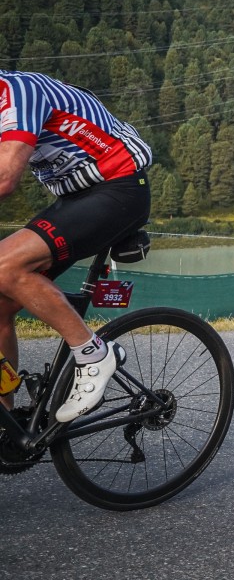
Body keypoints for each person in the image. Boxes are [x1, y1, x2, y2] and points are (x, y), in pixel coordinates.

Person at [0, 70, 152, 421]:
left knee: (5, 265)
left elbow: (6, 177)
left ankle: (94, 354)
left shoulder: (18, 91)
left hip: (119, 188)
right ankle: (6, 419)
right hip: (77, 198)